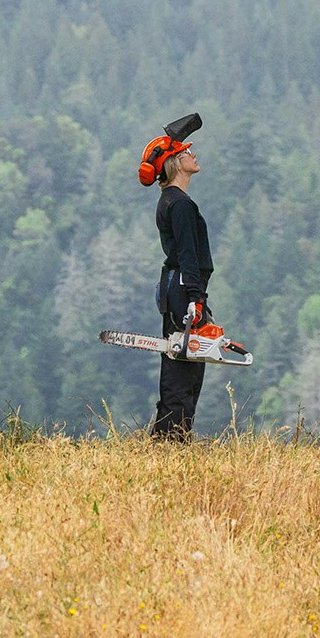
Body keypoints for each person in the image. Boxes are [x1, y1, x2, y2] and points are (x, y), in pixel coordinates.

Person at [138, 112, 215, 441]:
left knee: (188, 361)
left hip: (179, 288)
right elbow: (187, 255)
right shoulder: (179, 204)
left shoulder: (170, 201)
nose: (193, 155)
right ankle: (171, 438)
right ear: (174, 163)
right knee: (183, 364)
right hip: (184, 290)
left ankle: (174, 435)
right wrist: (196, 300)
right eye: (186, 153)